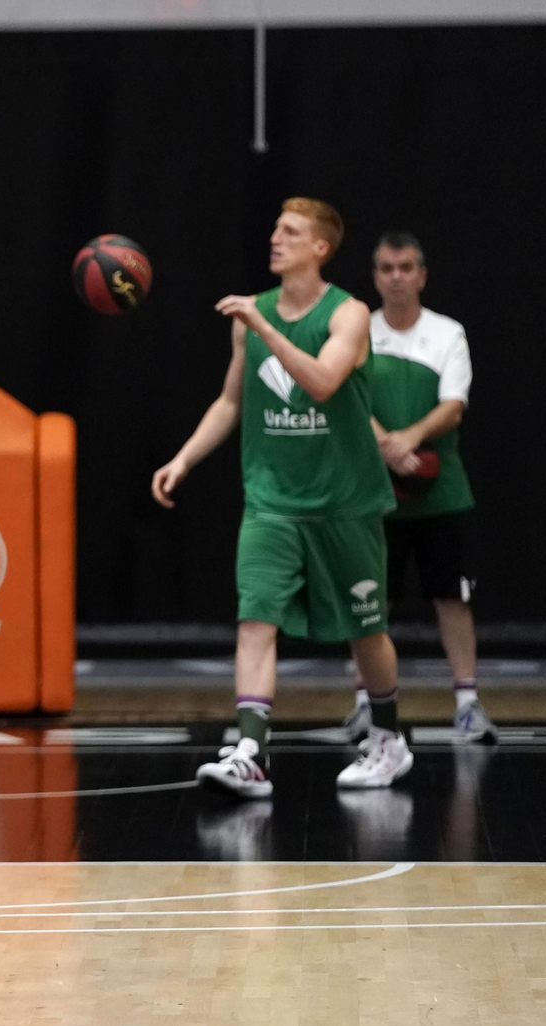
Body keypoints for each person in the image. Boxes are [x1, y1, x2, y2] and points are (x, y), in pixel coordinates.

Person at [152, 198, 411, 799]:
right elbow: (231, 402)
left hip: (345, 502)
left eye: (290, 231)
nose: (275, 238)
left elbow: (322, 383)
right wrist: (184, 459)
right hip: (272, 502)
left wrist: (264, 327)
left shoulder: (348, 315)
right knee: (255, 620)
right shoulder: (251, 317)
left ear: (321, 248)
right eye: (274, 228)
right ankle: (251, 752)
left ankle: (390, 740)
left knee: (366, 633)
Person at [342, 232, 495, 743]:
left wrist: (409, 439)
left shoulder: (447, 333)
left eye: (406, 267)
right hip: (374, 494)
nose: (396, 277)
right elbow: (346, 397)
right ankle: (367, 703)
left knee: (452, 597)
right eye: (386, 268)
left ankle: (468, 704)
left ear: (422, 275)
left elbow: (454, 404)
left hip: (439, 492)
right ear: (375, 276)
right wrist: (386, 444)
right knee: (370, 600)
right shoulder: (357, 331)